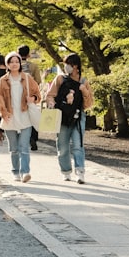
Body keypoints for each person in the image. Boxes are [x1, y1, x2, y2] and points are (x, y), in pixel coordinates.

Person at [46, 53, 94, 184]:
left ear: (76, 66)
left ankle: (80, 171)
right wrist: (51, 103)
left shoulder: (84, 81)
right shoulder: (60, 79)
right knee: (63, 146)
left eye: (69, 64)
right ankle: (66, 171)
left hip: (78, 117)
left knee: (78, 145)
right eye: (65, 64)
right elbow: (50, 95)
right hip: (62, 116)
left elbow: (89, 104)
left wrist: (84, 90)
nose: (66, 67)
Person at [0, 51, 41, 183]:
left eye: (17, 61)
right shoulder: (3, 80)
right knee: (14, 148)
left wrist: (32, 98)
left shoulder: (27, 78)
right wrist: (3, 113)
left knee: (24, 146)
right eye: (11, 62)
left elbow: (38, 94)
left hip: (25, 115)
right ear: (7, 64)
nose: (14, 64)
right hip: (9, 117)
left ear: (20, 63)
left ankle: (25, 171)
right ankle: (15, 171)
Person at [18, 45, 43, 150]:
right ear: (28, 54)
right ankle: (33, 138)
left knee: (20, 116)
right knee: (32, 116)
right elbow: (38, 81)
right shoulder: (33, 66)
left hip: (18, 95)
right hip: (30, 96)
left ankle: (22, 137)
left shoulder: (14, 66)